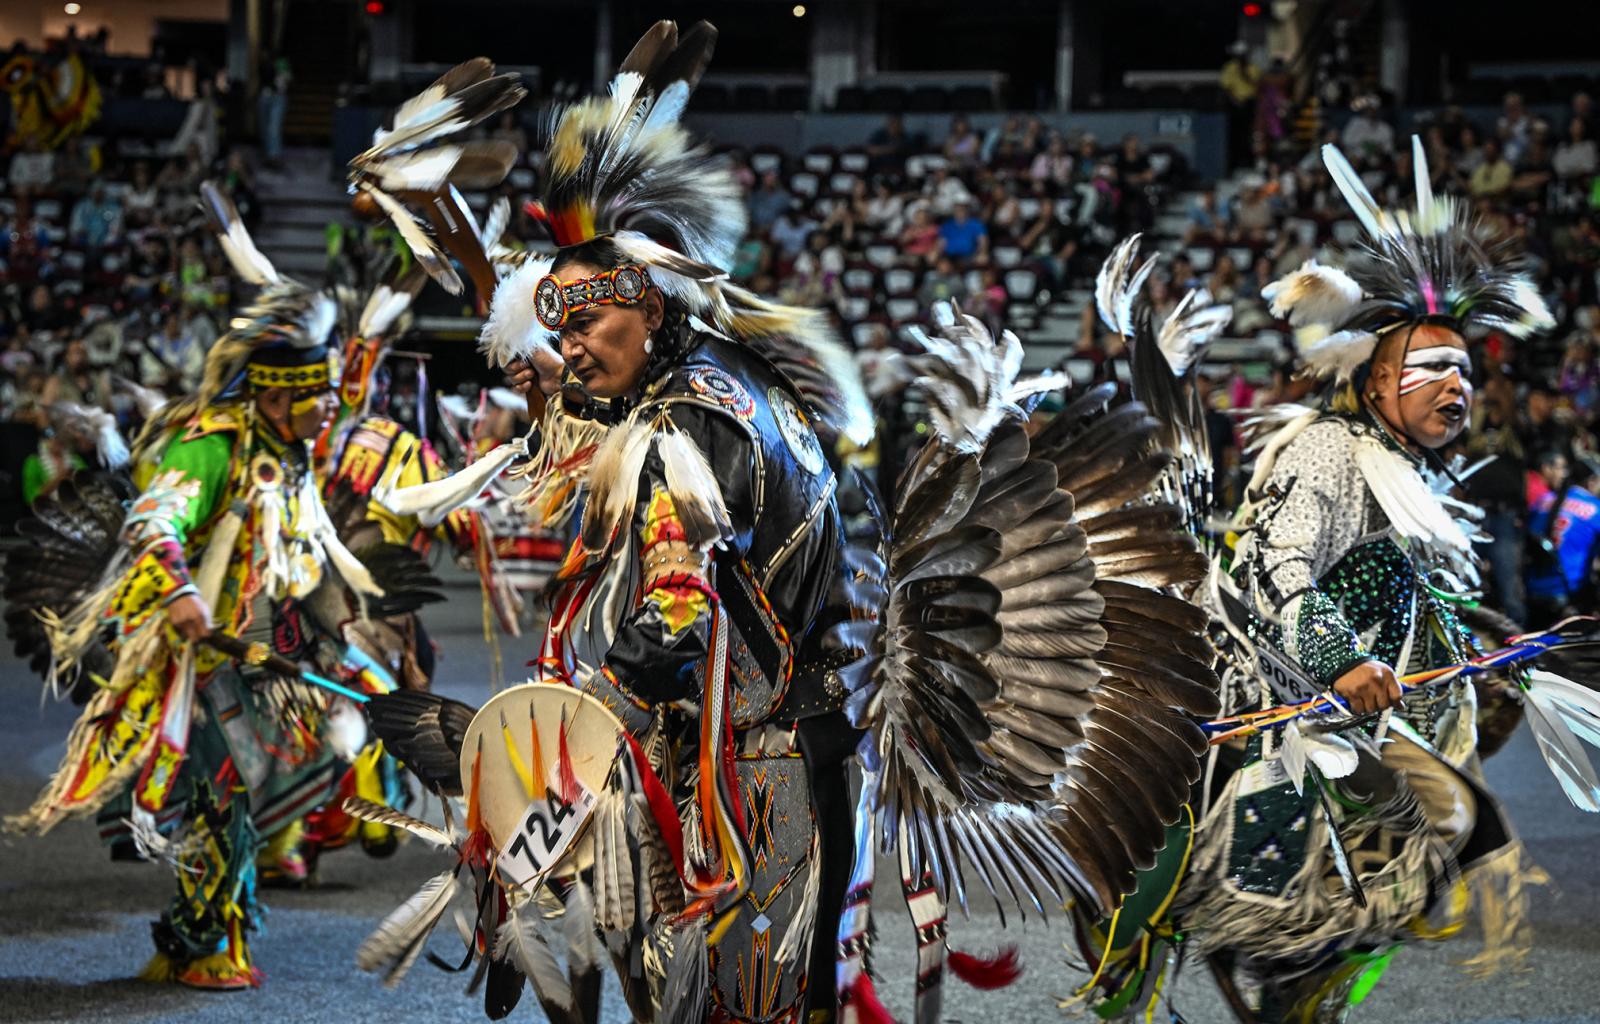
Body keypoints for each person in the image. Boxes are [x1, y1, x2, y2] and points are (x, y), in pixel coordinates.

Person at [1157, 138, 1554, 1022]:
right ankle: (1281, 965)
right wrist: (1339, 660)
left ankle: (1301, 978)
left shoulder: (1410, 469)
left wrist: (1488, 640)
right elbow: (1274, 570)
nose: (1458, 386)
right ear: (1376, 381)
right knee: (1436, 821)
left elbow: (1415, 589)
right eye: (1433, 369)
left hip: (1373, 712)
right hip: (1285, 701)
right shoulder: (1329, 450)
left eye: (1466, 371)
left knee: (1451, 830)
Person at [3, 200, 384, 989]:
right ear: (276, 396)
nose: (331, 408)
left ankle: (211, 934)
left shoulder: (290, 447)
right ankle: (203, 944)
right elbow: (155, 518)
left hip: (267, 648)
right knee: (220, 800)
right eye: (317, 396)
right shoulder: (213, 446)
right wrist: (180, 592)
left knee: (294, 768)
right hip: (199, 661)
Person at [1525, 451, 1600, 626]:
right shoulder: (1596, 509)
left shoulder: (1544, 501)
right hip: (1568, 596)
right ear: (1592, 481)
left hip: (1533, 590)